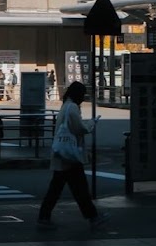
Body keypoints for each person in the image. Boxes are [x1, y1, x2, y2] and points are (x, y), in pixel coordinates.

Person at [36, 82, 107, 230]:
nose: (83, 97)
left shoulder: (65, 106)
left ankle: (44, 216)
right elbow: (79, 128)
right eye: (82, 94)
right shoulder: (72, 107)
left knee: (57, 188)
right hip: (70, 156)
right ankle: (93, 216)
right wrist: (91, 124)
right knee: (79, 188)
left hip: (61, 155)